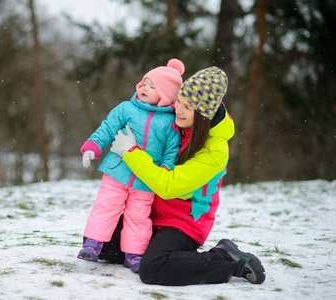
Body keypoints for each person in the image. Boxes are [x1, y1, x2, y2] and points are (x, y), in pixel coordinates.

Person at [104, 66, 266, 285]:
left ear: (202, 114)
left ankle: (226, 259)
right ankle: (149, 246)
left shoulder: (215, 150)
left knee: (153, 269)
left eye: (187, 107)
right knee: (102, 243)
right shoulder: (178, 121)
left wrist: (130, 152)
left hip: (183, 222)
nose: (177, 109)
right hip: (151, 211)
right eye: (178, 101)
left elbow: (169, 186)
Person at [77, 59, 185, 273]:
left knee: (138, 218)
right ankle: (92, 244)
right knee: (106, 207)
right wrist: (93, 146)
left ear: (165, 95)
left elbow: (171, 152)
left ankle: (134, 254)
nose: (145, 88)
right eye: (145, 83)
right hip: (117, 171)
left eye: (153, 86)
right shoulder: (126, 109)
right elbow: (107, 128)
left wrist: (163, 171)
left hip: (145, 182)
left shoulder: (170, 123)